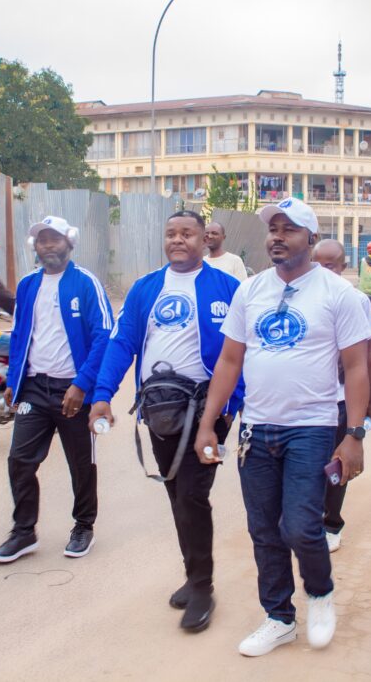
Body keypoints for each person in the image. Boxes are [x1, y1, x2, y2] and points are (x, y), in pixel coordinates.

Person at [194, 197, 371, 657]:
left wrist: (354, 435)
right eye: (272, 228)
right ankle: (278, 617)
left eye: (288, 229)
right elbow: (230, 360)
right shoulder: (250, 290)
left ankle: (319, 594)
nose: (276, 236)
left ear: (311, 239)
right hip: (257, 429)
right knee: (263, 530)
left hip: (312, 428)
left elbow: (357, 367)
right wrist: (209, 424)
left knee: (300, 526)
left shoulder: (340, 295)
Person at [89, 210, 243, 633]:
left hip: (207, 410)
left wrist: (236, 404)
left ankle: (203, 586)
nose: (178, 240)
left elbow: (242, 353)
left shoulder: (228, 288)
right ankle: (194, 574)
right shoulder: (145, 289)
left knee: (192, 495)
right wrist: (102, 395)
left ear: (203, 240)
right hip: (160, 407)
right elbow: (123, 344)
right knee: (176, 494)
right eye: (171, 233)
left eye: (187, 233)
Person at [0, 217, 113, 564]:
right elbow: (19, 336)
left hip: (73, 391)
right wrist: (12, 384)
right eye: (42, 240)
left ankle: (83, 525)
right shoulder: (29, 285)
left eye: (54, 239)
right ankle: (24, 531)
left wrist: (82, 385)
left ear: (69, 243)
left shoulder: (85, 283)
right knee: (20, 460)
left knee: (81, 463)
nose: (48, 245)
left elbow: (105, 335)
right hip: (34, 389)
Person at [312, 239, 371, 553]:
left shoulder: (355, 300)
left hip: (341, 401)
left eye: (329, 265)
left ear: (342, 267)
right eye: (317, 263)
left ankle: (332, 522)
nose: (322, 270)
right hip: (309, 401)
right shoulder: (302, 297)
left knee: (338, 464)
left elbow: (366, 359)